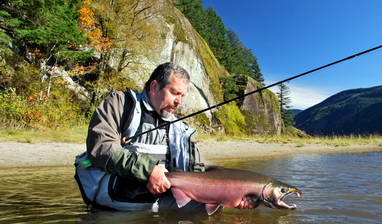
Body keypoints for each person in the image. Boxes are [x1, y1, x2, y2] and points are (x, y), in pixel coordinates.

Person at [75, 62, 251, 212]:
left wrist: (230, 196)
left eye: (182, 96)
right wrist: (148, 170)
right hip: (116, 205)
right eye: (174, 93)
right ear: (154, 87)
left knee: (215, 213)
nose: (179, 101)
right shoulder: (121, 103)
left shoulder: (181, 130)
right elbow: (101, 147)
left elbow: (199, 173)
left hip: (161, 206)